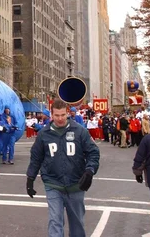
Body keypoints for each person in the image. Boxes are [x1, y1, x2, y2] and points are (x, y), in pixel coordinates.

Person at [26, 99, 100, 237]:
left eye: (62, 115)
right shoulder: (44, 134)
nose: (60, 118)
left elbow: (93, 152)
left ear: (67, 113)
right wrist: (30, 177)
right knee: (55, 221)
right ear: (51, 115)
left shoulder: (79, 131)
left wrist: (90, 171)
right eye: (56, 115)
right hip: (53, 183)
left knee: (77, 224)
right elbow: (36, 157)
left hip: (76, 184)